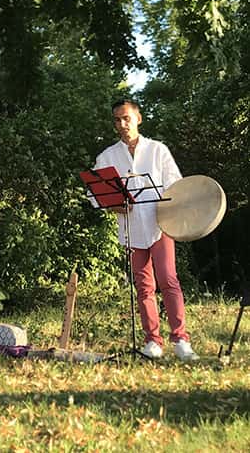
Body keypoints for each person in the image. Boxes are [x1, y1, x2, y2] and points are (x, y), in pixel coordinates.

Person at [94, 99, 199, 361]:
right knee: (144, 286)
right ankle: (153, 340)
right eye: (117, 119)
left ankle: (181, 340)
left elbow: (176, 185)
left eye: (126, 118)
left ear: (138, 118)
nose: (122, 124)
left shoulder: (157, 150)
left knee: (169, 280)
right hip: (131, 227)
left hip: (160, 223)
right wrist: (113, 206)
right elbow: (96, 194)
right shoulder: (107, 156)